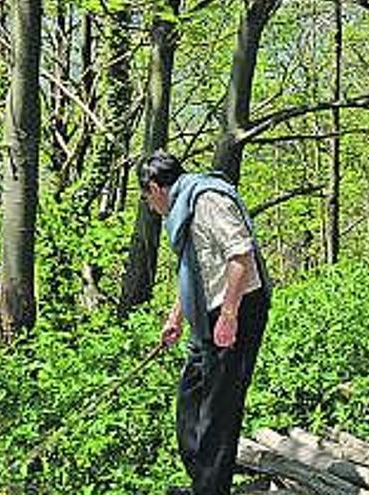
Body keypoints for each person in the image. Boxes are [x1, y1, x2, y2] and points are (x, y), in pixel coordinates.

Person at [139, 150, 271, 495]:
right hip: (206, 312)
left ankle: (211, 490)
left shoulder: (208, 199)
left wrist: (229, 315)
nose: (150, 207)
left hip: (238, 306)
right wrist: (175, 319)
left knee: (219, 407)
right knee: (190, 400)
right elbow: (194, 271)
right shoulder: (182, 212)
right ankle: (204, 482)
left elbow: (241, 255)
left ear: (155, 187)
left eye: (146, 198)